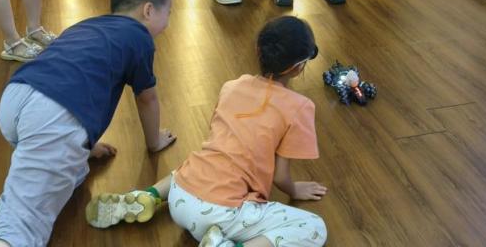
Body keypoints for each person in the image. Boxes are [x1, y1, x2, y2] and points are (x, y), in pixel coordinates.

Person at [0, 0, 178, 247]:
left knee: (66, 174)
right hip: (53, 113)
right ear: (148, 10)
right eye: (168, 14)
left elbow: (75, 74)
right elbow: (147, 99)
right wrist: (154, 141)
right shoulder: (139, 37)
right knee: (25, 226)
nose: (168, 23)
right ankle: (1, 232)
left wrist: (86, 145)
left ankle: (1, 213)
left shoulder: (88, 25)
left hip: (17, 96)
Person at [87, 16, 328, 247]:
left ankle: (150, 195)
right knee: (313, 227)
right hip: (221, 215)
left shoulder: (231, 87)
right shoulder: (300, 107)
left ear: (258, 50)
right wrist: (294, 189)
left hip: (180, 196)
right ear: (298, 68)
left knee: (200, 163)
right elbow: (280, 177)